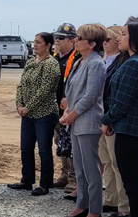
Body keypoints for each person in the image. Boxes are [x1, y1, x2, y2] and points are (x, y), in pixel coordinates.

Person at [102, 17, 138, 217]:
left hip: (131, 128)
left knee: (131, 182)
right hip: (130, 127)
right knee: (131, 181)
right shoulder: (135, 60)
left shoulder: (134, 63)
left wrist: (106, 119)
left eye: (124, 34)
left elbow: (122, 102)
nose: (120, 38)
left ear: (135, 38)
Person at [61, 23, 107, 217]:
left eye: (79, 38)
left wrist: (72, 114)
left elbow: (90, 95)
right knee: (80, 168)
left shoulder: (96, 63)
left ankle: (95, 209)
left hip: (88, 122)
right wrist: (67, 111)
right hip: (76, 122)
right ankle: (82, 204)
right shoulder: (80, 61)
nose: (75, 40)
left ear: (91, 43)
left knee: (91, 169)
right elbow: (73, 91)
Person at [8, 32, 60, 196]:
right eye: (34, 42)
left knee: (44, 150)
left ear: (48, 45)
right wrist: (19, 104)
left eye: (38, 42)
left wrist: (28, 107)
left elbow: (45, 90)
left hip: (44, 114)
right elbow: (21, 86)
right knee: (26, 148)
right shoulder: (30, 62)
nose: (34, 45)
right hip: (27, 115)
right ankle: (27, 180)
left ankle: (45, 184)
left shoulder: (51, 64)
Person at [98, 25, 129, 216]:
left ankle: (124, 206)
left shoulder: (122, 62)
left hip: (113, 121)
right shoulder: (106, 61)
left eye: (108, 40)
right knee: (106, 161)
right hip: (102, 119)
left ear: (118, 40)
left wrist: (109, 119)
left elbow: (116, 95)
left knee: (118, 164)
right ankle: (111, 199)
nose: (104, 43)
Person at [53, 23, 78, 194]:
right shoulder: (56, 58)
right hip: (56, 109)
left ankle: (73, 178)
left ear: (71, 41)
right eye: (56, 38)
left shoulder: (76, 58)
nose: (57, 41)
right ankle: (64, 175)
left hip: (70, 110)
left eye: (61, 38)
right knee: (60, 142)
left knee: (71, 146)